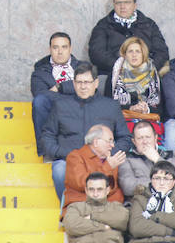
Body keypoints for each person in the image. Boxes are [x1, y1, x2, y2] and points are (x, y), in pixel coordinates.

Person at [42, 63, 133, 199]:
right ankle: (68, 207)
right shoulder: (61, 105)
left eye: (87, 82)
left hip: (103, 160)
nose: (83, 86)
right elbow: (47, 136)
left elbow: (125, 138)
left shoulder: (110, 106)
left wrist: (108, 154)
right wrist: (61, 153)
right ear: (73, 83)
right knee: (59, 169)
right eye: (79, 82)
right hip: (70, 160)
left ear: (96, 83)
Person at [88, 0, 169, 89]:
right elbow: (96, 54)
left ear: (135, 5)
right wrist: (122, 67)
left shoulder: (148, 24)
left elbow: (162, 52)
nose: (122, 6)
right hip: (114, 74)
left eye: (127, 2)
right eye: (118, 3)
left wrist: (147, 69)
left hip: (146, 75)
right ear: (114, 5)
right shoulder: (103, 25)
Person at [30, 32, 82, 155]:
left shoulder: (83, 67)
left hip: (80, 108)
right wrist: (72, 91)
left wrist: (60, 87)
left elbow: (89, 87)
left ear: (70, 49)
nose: (60, 52)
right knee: (39, 102)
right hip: (54, 110)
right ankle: (46, 151)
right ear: (50, 49)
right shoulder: (39, 72)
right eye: (55, 47)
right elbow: (41, 94)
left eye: (64, 47)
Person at [62, 125, 126, 215]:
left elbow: (112, 189)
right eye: (109, 141)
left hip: (107, 208)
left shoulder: (110, 160)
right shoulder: (75, 156)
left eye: (113, 141)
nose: (112, 145)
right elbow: (82, 183)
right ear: (96, 142)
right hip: (81, 207)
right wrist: (108, 167)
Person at [127, 161, 175, 243]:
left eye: (166, 179)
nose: (162, 183)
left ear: (174, 181)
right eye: (157, 178)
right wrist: (172, 232)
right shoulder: (139, 199)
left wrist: (155, 216)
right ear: (151, 180)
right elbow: (136, 228)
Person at [119, 121, 175, 198]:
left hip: (170, 201)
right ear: (134, 141)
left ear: (155, 138)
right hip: (142, 203)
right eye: (140, 138)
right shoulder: (127, 158)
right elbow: (128, 187)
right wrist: (163, 181)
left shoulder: (168, 155)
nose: (145, 142)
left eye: (148, 137)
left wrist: (158, 160)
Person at [61, 172, 129, 243]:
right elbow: (71, 226)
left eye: (99, 189)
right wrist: (104, 227)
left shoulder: (116, 207)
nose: (95, 194)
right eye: (91, 189)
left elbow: (122, 221)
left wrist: (92, 216)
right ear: (86, 190)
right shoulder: (75, 207)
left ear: (107, 190)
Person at [109, 37, 162, 122]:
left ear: (143, 54)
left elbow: (162, 109)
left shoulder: (153, 74)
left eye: (138, 51)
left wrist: (146, 109)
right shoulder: (114, 75)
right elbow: (108, 106)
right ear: (125, 54)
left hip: (148, 121)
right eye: (130, 51)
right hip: (123, 121)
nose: (134, 55)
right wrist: (131, 108)